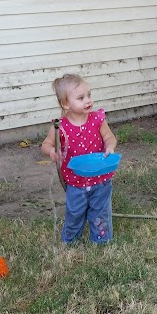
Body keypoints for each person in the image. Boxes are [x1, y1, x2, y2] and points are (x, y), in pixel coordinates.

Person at [42, 74, 117, 245]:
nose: (88, 100)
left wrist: (110, 147)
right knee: (75, 212)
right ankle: (70, 240)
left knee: (100, 210)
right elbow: (45, 144)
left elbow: (109, 137)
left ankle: (101, 239)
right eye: (81, 98)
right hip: (75, 181)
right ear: (66, 104)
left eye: (89, 95)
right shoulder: (60, 126)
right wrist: (52, 151)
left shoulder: (97, 119)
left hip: (100, 178)